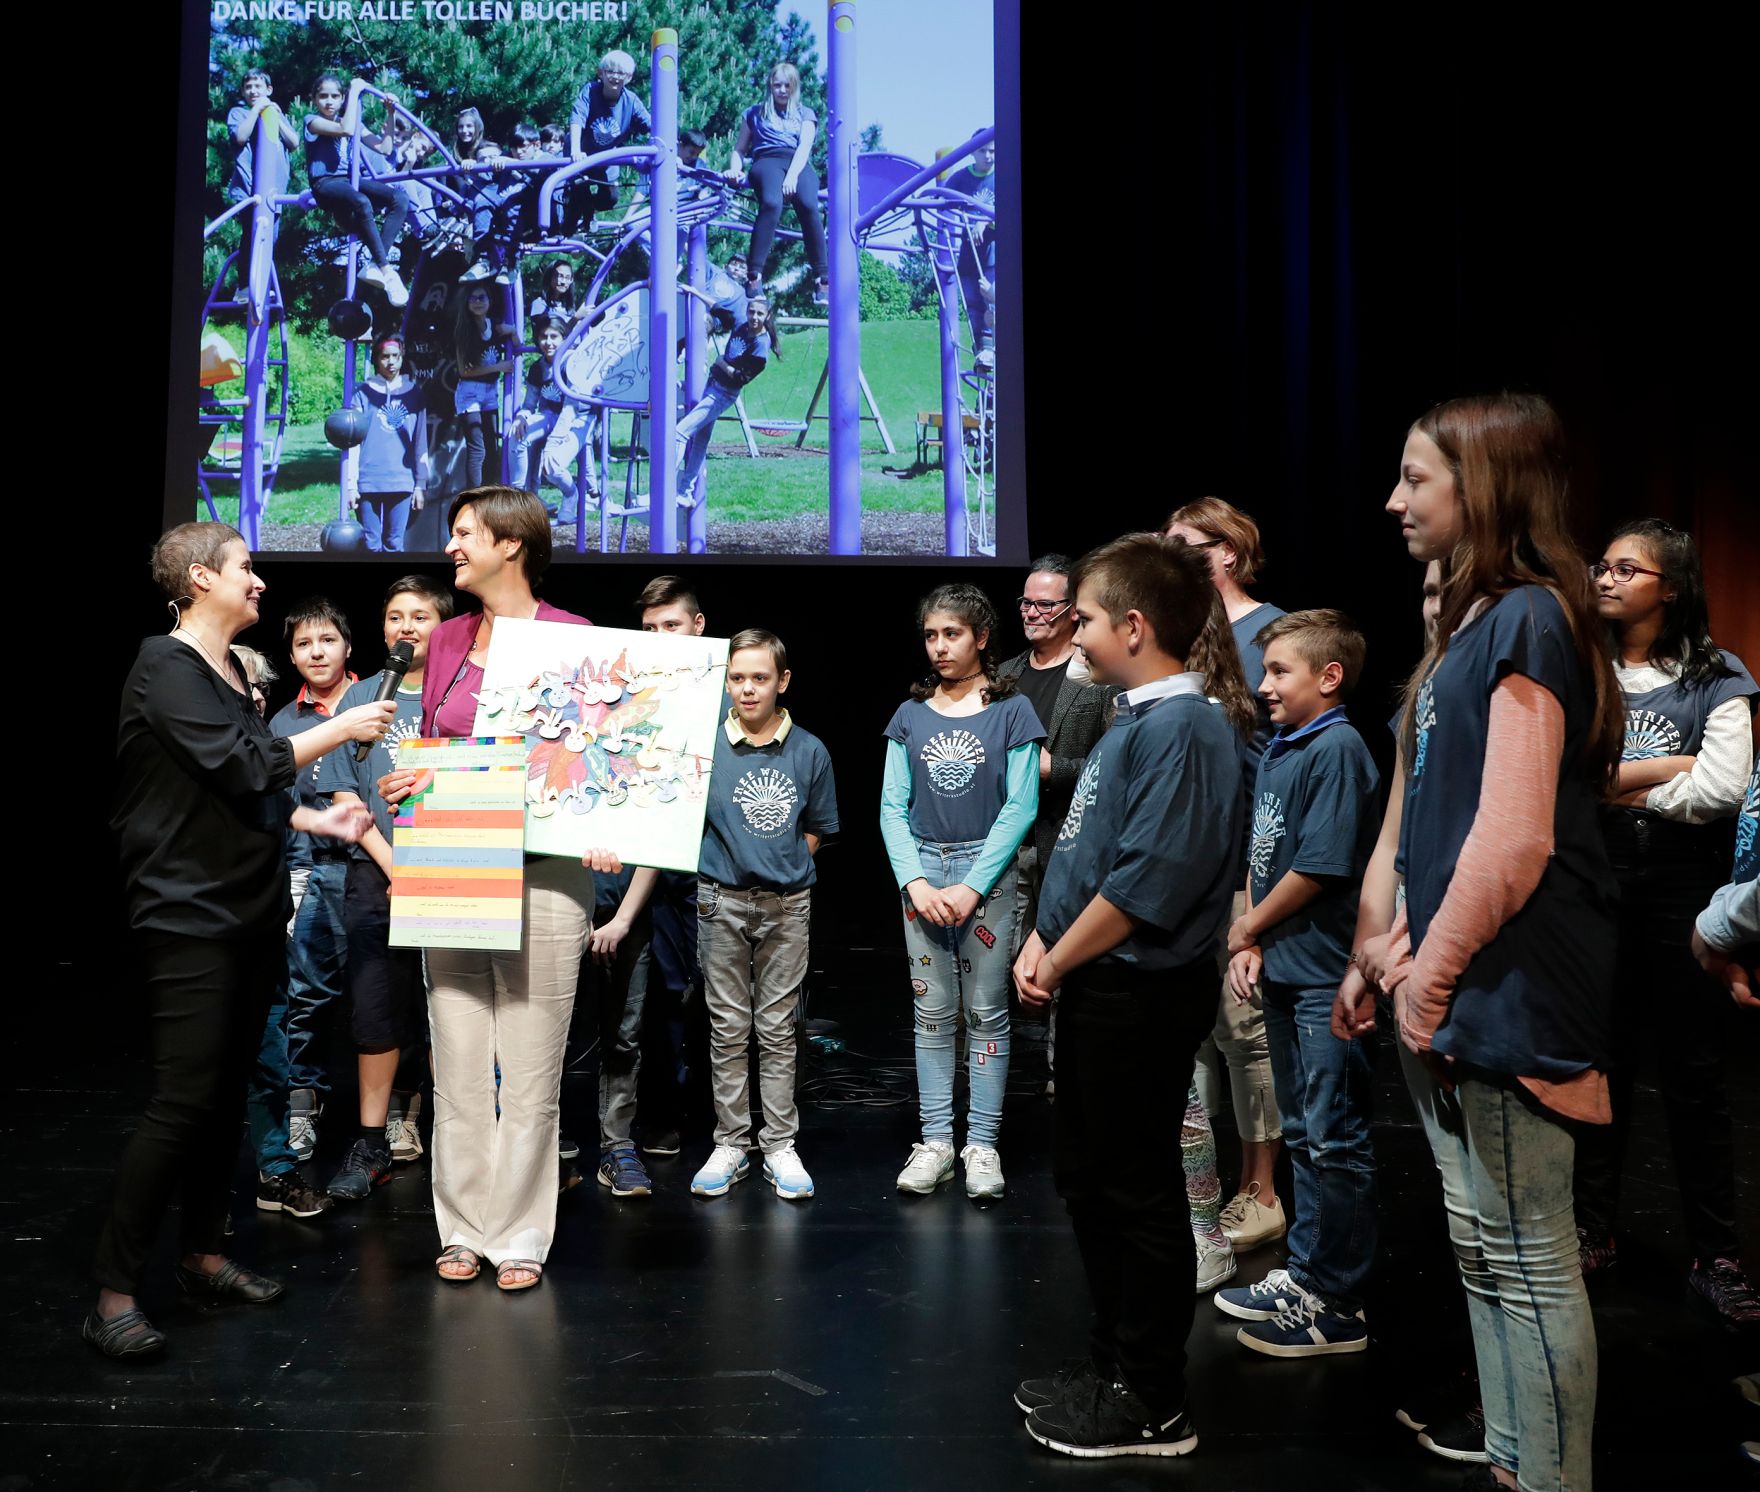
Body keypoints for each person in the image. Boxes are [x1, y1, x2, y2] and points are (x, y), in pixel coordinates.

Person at [1376, 391, 1622, 1491]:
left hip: (1507, 985)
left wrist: (1425, 983)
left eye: (1415, 479)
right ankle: (1515, 1465)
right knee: (1483, 1248)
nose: (1394, 501)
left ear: (1480, 487)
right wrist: (1401, 945)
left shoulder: (1526, 617)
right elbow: (1440, 820)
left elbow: (1514, 838)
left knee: (1525, 1259)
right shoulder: (1472, 627)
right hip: (1458, 977)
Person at [87, 522, 390, 1359]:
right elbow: (246, 766)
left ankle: (203, 1255)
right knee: (182, 1101)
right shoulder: (165, 666)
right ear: (199, 578)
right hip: (188, 914)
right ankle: (113, 1293)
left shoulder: (230, 672)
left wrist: (315, 820)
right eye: (245, 568)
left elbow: (251, 787)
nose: (259, 582)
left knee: (227, 1098)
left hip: (248, 911)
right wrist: (344, 727)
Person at [1011, 534, 1240, 1459]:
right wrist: (1044, 939)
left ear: (1134, 627)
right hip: (1098, 984)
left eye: (1089, 619)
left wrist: (1056, 959)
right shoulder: (1134, 720)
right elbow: (1086, 857)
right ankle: (1112, 1365)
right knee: (1091, 1183)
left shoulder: (1187, 728)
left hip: (1138, 993)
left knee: (1136, 1192)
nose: (1076, 633)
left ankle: (1152, 1399)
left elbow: (1147, 884)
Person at [375, 487, 596, 1293]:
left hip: (545, 877)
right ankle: (463, 1228)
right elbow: (441, 749)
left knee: (530, 1074)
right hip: (454, 868)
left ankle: (521, 1234)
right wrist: (413, 783)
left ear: (512, 544)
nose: (452, 547)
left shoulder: (575, 638)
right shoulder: (446, 640)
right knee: (460, 1068)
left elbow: (596, 762)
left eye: (466, 533)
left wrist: (613, 821)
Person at [1572, 519, 1758, 1322]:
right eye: (1603, 566)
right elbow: (1568, 778)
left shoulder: (1719, 674)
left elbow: (1722, 790)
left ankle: (1717, 1254)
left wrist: (1621, 787)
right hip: (1596, 881)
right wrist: (1665, 768)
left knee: (1694, 1076)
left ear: (1670, 588)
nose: (1606, 579)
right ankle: (1592, 1230)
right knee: (1599, 1064)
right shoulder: (1583, 670)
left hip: (1683, 884)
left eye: (1627, 569)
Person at [1218, 610, 1380, 1357]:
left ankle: (1339, 1300)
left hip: (1324, 976)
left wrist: (1247, 927)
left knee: (1336, 1137)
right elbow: (1266, 852)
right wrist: (1255, 935)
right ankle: (1308, 1273)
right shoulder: (1284, 746)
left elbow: (1320, 865)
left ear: (1329, 677)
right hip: (1286, 967)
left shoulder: (1337, 747)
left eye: (1280, 671)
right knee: (1306, 1132)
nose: (1264, 685)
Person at [882, 584, 1042, 1200]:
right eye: (931, 635)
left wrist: (974, 885)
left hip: (987, 873)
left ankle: (982, 1142)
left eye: (952, 634)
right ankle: (935, 1142)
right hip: (924, 869)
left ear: (981, 637)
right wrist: (916, 881)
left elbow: (1021, 804)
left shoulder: (1012, 710)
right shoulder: (910, 715)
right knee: (931, 1013)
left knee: (987, 1011)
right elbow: (892, 807)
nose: (940, 646)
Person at [1164, 497, 1287, 1254]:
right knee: (1197, 1029)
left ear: (1227, 552)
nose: (1170, 555)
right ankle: (1200, 1184)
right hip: (1188, 866)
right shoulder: (1179, 631)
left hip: (1247, 862)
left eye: (1185, 544)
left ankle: (1261, 1189)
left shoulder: (1271, 633)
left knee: (1245, 1029)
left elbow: (1281, 758)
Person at [315, 577, 454, 1200]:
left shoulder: (462, 693)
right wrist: (397, 866)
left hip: (455, 869)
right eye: (396, 616)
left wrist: (424, 870)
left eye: (420, 616)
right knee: (375, 1007)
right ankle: (371, 1141)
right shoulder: (362, 695)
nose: (407, 627)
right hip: (378, 873)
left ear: (444, 627)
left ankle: (457, 1138)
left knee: (453, 1008)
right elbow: (343, 792)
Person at [692, 629, 839, 1200]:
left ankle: (779, 1143)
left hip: (786, 904)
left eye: (759, 678)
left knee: (777, 1028)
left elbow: (817, 828)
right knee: (728, 1027)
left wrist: (782, 868)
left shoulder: (809, 750)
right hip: (720, 901)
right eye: (737, 678)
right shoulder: (706, 745)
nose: (748, 689)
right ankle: (731, 1141)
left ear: (783, 681)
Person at [270, 599, 360, 1162]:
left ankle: (400, 1112)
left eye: (327, 640)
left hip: (380, 869)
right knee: (307, 996)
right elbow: (280, 804)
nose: (317, 652)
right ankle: (304, 1101)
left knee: (391, 994)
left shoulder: (376, 701)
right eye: (304, 644)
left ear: (348, 646)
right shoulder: (284, 723)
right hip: (315, 869)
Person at [303, 74, 410, 307]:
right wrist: (355, 91)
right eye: (323, 96)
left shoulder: (352, 122)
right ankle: (386, 270)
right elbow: (345, 129)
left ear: (342, 99)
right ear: (314, 99)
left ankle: (375, 265)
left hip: (349, 181)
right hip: (325, 182)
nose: (329, 101)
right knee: (361, 201)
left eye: (335, 96)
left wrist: (391, 114)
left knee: (400, 198)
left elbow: (385, 148)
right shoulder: (312, 122)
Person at [726, 63, 828, 303]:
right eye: (777, 85)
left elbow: (804, 146)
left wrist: (792, 176)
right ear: (770, 86)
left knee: (809, 205)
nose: (782, 90)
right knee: (772, 202)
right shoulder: (754, 113)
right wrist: (735, 169)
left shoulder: (805, 113)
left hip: (796, 162)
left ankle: (822, 278)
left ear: (795, 87)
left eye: (787, 85)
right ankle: (754, 275)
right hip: (767, 159)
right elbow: (739, 149)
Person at [676, 297, 776, 508]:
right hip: (712, 384)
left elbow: (740, 378)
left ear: (767, 316)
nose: (754, 317)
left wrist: (721, 362)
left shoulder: (760, 347)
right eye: (751, 312)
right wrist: (695, 291)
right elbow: (719, 307)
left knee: (680, 432)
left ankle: (665, 488)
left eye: (760, 314)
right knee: (700, 441)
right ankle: (684, 492)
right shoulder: (741, 324)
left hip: (723, 394)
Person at [343, 334, 428, 554]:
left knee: (394, 544)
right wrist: (350, 485)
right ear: (376, 359)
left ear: (402, 357)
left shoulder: (415, 394)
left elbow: (421, 441)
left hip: (401, 481)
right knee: (370, 544)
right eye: (385, 356)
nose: (391, 362)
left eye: (395, 356)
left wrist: (420, 484)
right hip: (368, 481)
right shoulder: (362, 394)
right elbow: (353, 442)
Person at [225, 67, 296, 296]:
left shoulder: (274, 115)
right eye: (248, 87)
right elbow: (240, 136)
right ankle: (244, 286)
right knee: (253, 234)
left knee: (268, 238)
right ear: (243, 92)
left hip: (273, 193)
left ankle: (260, 285)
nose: (253, 90)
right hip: (249, 191)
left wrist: (275, 115)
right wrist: (256, 109)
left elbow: (294, 142)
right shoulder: (239, 113)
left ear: (269, 89)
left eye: (258, 86)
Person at [567, 50, 651, 232]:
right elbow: (577, 119)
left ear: (629, 78)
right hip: (583, 153)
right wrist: (575, 149)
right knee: (578, 192)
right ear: (601, 73)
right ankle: (576, 224)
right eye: (610, 71)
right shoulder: (590, 91)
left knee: (610, 198)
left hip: (606, 158)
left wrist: (672, 149)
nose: (615, 77)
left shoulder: (631, 100)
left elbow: (651, 125)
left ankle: (589, 212)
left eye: (621, 73)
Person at [452, 284, 518, 489]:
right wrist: (498, 367)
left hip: (490, 391)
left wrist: (513, 331)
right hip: (470, 391)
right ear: (467, 303)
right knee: (477, 448)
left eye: (482, 297)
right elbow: (464, 371)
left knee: (492, 446)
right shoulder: (464, 329)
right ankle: (475, 496)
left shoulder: (496, 326)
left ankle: (489, 491)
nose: (478, 302)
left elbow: (518, 346)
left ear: (490, 301)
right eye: (473, 298)